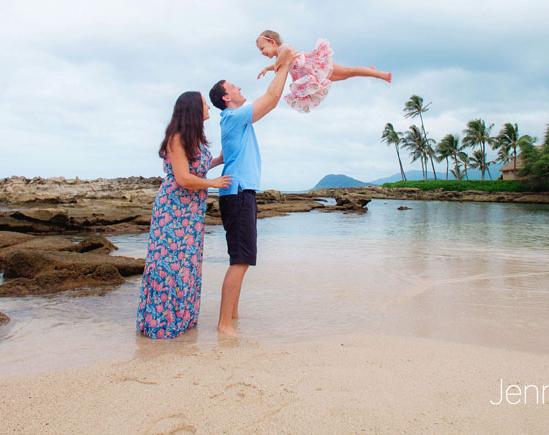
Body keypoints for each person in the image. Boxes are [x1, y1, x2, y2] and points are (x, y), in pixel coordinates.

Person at [209, 43, 295, 336]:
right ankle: (224, 324)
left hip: (239, 193)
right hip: (237, 193)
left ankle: (232, 316)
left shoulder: (234, 122)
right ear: (226, 97)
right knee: (241, 260)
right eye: (233, 86)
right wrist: (284, 65)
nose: (238, 86)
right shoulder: (234, 116)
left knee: (240, 258)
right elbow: (271, 99)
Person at [136, 91, 232, 339]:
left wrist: (217, 161)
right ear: (192, 109)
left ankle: (182, 320)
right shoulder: (176, 138)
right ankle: (161, 324)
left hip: (191, 212)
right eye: (204, 104)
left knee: (187, 265)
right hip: (173, 209)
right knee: (168, 265)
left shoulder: (195, 139)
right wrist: (213, 183)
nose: (208, 108)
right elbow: (182, 178)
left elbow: (194, 167)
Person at [255, 30, 392, 113]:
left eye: (262, 48)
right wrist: (268, 68)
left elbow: (287, 50)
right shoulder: (280, 57)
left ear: (272, 42)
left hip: (314, 67)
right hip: (311, 75)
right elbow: (282, 64)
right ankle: (369, 70)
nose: (262, 53)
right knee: (346, 75)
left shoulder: (281, 50)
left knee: (348, 72)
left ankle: (379, 74)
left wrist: (277, 66)